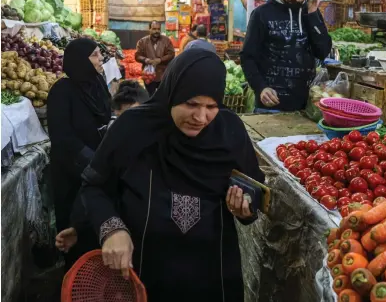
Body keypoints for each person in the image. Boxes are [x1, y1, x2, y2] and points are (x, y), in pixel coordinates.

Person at [79, 49, 264, 302]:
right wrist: (112, 229)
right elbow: (94, 186)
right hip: (142, 271)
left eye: (212, 106)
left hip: (211, 275)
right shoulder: (133, 128)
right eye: (191, 104)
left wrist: (245, 209)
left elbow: (254, 189)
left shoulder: (229, 132)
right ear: (172, 92)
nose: (201, 117)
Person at [55, 79, 149, 255]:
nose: (129, 126)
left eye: (136, 117)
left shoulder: (157, 152)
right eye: (123, 119)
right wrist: (78, 229)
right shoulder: (109, 150)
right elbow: (93, 193)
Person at [48, 38, 112, 269]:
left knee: (95, 221)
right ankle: (74, 275)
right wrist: (91, 160)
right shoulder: (61, 91)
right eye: (95, 55)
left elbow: (106, 116)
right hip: (71, 171)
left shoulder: (98, 83)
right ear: (80, 60)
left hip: (97, 169)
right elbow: (62, 136)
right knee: (72, 223)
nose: (101, 58)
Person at [241, 0, 332, 112]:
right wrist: (260, 87)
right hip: (269, 104)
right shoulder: (262, 14)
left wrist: (313, 14)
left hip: (304, 106)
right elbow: (247, 56)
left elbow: (322, 52)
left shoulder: (311, 14)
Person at [135, 21, 175, 96]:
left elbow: (171, 54)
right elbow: (137, 55)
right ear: (149, 29)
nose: (156, 31)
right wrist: (146, 60)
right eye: (154, 29)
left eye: (158, 29)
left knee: (164, 96)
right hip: (148, 75)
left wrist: (160, 60)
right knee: (150, 95)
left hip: (163, 74)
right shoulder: (142, 41)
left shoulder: (166, 40)